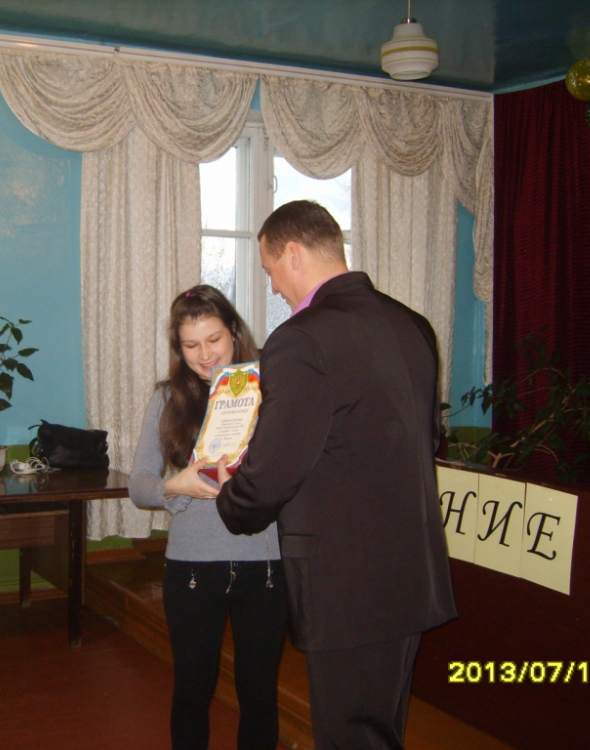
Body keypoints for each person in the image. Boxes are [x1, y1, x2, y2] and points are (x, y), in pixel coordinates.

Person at [215, 200, 456, 750]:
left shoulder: (302, 339)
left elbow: (276, 470)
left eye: (270, 270)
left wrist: (232, 498)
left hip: (348, 583)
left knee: (350, 736)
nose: (273, 286)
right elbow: (421, 440)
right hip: (409, 570)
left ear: (293, 254)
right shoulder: (413, 325)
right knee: (381, 728)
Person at [129, 284, 288, 750]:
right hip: (193, 565)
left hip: (265, 563)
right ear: (178, 348)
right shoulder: (168, 398)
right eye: (191, 345)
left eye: (214, 339)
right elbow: (139, 485)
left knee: (259, 694)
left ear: (234, 331)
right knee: (192, 691)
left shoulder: (271, 390)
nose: (204, 355)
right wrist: (176, 487)